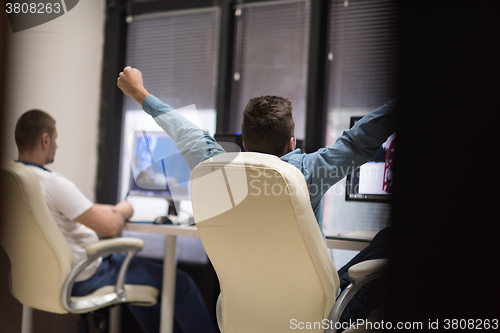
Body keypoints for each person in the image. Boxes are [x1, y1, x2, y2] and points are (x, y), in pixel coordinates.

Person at [117, 66, 395, 326]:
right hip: (315, 315)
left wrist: (139, 93)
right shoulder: (307, 172)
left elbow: (183, 131)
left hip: (243, 310)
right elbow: (358, 140)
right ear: (291, 141)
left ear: (245, 143)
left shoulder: (217, 170)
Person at [14, 110, 218, 333]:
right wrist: (124, 209)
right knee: (181, 284)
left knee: (143, 291)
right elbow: (110, 227)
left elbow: (73, 209)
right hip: (86, 275)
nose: (56, 145)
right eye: (55, 139)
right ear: (45, 140)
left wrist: (111, 209)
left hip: (35, 278)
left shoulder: (18, 181)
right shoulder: (52, 182)